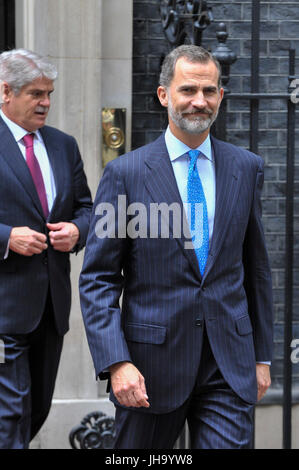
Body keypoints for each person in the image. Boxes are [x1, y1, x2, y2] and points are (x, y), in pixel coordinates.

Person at [79, 45, 273, 449]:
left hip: (228, 364)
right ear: (164, 95)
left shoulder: (246, 167)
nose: (199, 101)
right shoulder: (125, 174)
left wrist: (262, 357)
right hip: (150, 369)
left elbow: (255, 268)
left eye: (209, 90)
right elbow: (98, 278)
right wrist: (117, 361)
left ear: (221, 95)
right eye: (188, 90)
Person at [0, 49, 92, 449]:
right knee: (9, 413)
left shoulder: (62, 145)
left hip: (51, 310)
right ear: (5, 91)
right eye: (37, 93)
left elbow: (88, 209)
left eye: (50, 93)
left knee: (35, 409)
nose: (46, 103)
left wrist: (76, 230)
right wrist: (6, 237)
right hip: (3, 314)